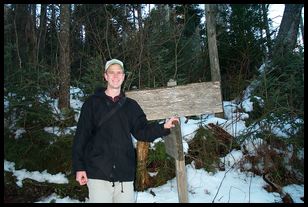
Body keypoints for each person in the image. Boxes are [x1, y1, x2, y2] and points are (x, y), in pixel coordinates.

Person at [72, 58, 179, 203]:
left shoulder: (131, 106)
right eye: (112, 73)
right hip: (97, 173)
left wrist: (163, 127)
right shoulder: (92, 104)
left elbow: (142, 131)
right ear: (105, 76)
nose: (115, 76)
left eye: (119, 73)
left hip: (124, 174)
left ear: (123, 76)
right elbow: (81, 137)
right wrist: (79, 168)